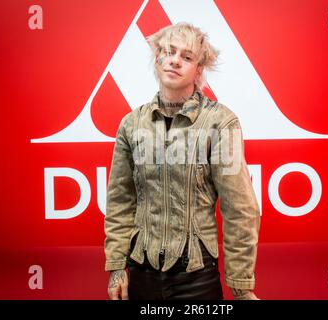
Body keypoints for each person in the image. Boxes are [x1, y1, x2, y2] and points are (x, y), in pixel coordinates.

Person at [104, 22, 261, 300]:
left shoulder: (220, 123)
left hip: (197, 279)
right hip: (142, 274)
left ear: (198, 70)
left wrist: (241, 286)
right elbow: (120, 202)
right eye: (169, 52)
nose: (175, 60)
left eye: (187, 57)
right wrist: (117, 268)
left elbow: (240, 209)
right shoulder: (131, 124)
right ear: (158, 58)